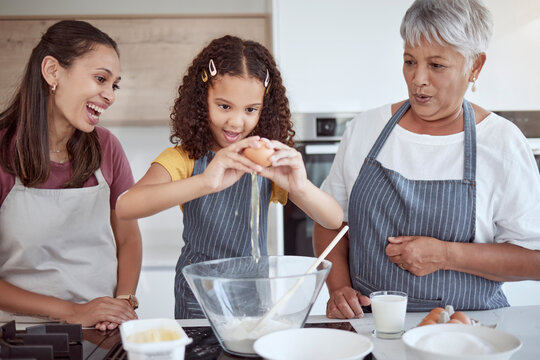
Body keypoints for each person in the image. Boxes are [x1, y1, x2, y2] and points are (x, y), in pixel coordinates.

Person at [314, 0, 540, 319]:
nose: (418, 79)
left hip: (468, 330)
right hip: (371, 326)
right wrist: (338, 289)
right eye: (409, 61)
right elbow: (330, 223)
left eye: (436, 65)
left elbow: (534, 260)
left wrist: (446, 254)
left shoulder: (501, 142)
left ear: (474, 67)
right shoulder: (365, 130)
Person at [116, 35, 344, 319]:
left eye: (250, 110)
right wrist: (206, 181)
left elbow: (334, 220)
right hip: (197, 298)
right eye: (224, 106)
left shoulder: (265, 159)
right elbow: (126, 206)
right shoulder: (184, 158)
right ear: (203, 100)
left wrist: (300, 185)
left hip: (254, 296)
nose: (237, 122)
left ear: (265, 108)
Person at [0, 20, 142, 330]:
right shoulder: (1, 151)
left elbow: (128, 238)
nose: (110, 95)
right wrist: (74, 311)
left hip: (100, 330)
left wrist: (124, 301)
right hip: (19, 334)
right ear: (52, 71)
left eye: (114, 84)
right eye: (100, 79)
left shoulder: (107, 147)